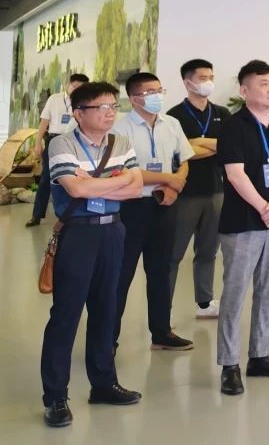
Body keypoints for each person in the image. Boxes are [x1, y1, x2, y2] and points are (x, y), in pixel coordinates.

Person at [39, 81, 144, 427]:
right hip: (78, 233)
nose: (110, 112)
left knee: (106, 309)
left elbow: (136, 188)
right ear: (79, 113)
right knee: (66, 314)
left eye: (113, 105)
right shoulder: (61, 143)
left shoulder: (121, 142)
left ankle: (103, 384)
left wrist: (94, 184)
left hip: (113, 230)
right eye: (101, 107)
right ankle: (56, 397)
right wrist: (116, 179)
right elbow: (75, 188)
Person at [215, 60, 269, 395]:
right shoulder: (233, 126)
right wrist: (264, 207)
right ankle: (229, 365)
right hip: (243, 221)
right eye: (262, 84)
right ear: (244, 90)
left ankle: (261, 355)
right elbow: (235, 174)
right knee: (235, 293)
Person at [113, 71, 195, 351]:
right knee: (121, 274)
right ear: (133, 97)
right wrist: (169, 179)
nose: (157, 96)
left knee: (161, 270)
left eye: (159, 91)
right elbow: (126, 171)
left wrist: (175, 185)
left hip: (165, 204)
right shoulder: (120, 130)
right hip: (131, 207)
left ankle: (161, 332)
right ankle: (108, 339)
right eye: (150, 92)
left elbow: (183, 159)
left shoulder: (171, 124)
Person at [167, 59, 229, 320]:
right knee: (173, 254)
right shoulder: (173, 116)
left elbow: (228, 147)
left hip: (216, 191)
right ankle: (163, 309)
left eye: (211, 77)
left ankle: (204, 303)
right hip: (185, 194)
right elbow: (178, 153)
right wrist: (211, 145)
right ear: (188, 82)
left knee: (208, 251)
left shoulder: (222, 113)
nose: (208, 82)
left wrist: (194, 143)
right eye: (203, 78)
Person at [28, 73, 90, 227]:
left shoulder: (85, 101)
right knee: (46, 178)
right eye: (75, 86)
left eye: (81, 88)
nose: (77, 90)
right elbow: (44, 122)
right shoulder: (54, 99)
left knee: (73, 177)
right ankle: (37, 215)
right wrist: (38, 143)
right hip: (54, 140)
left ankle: (68, 214)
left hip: (75, 141)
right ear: (68, 84)